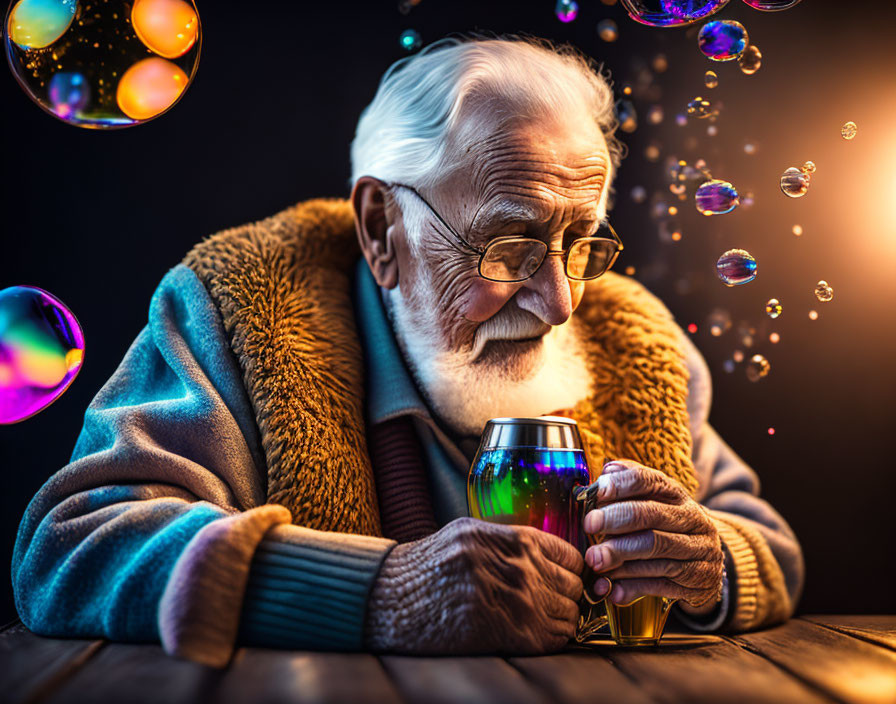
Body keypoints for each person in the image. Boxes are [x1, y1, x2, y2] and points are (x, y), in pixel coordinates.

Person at [12, 35, 803, 667]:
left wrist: (706, 563)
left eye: (579, 242)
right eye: (508, 243)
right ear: (383, 230)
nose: (560, 303)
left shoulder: (636, 342)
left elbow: (766, 544)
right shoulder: (237, 312)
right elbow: (70, 544)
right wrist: (379, 591)